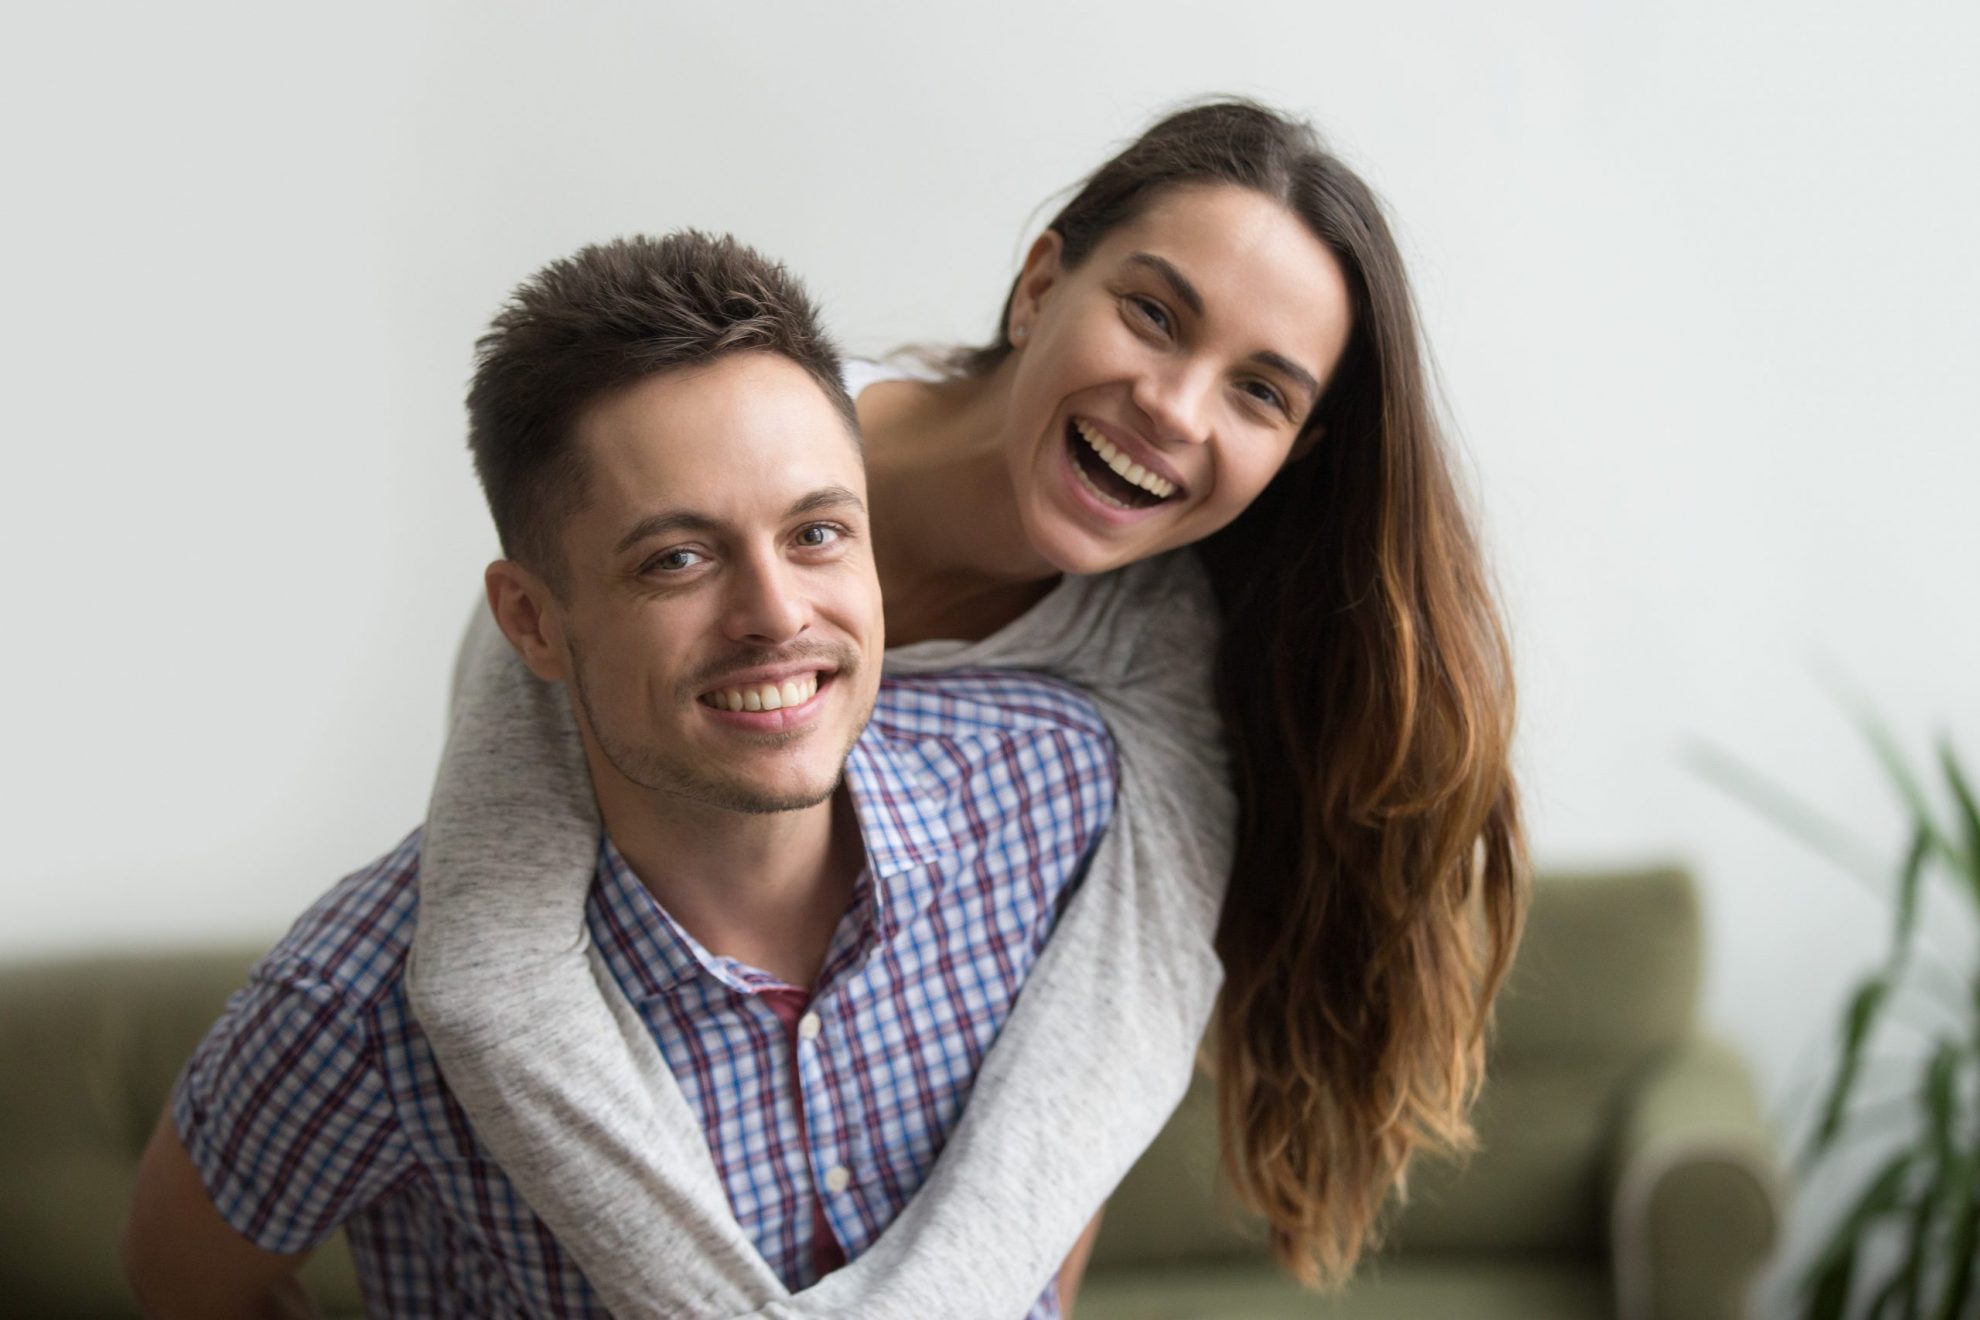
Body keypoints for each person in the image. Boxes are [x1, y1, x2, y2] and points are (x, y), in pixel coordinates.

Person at [411, 99, 1527, 1320]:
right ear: (1041, 283)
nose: (1176, 406)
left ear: (1295, 455)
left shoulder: (1154, 658)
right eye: (1153, 315)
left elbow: (1102, 1050)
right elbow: (491, 967)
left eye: (1260, 392)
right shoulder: (693, 463)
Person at [121, 232, 1120, 1317]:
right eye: (676, 559)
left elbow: (1076, 1121)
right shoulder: (357, 998)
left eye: (817, 532)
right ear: (531, 623)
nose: (777, 616)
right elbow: (182, 1276)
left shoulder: (1052, 793)